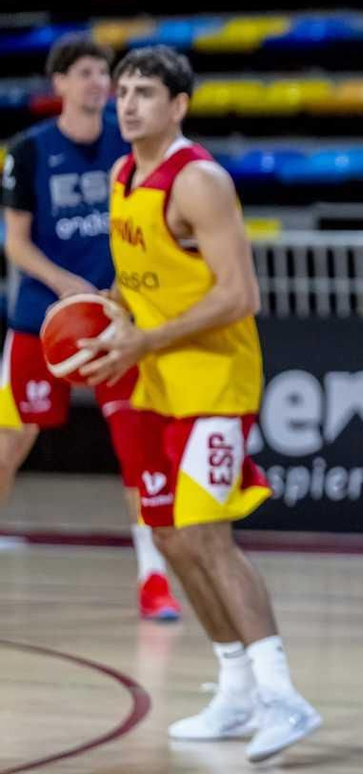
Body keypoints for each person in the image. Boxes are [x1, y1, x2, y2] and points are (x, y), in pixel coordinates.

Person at [83, 46, 321, 762]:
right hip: (156, 378)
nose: (127, 103)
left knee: (208, 535)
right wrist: (109, 312)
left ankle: (285, 695)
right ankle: (236, 686)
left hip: (215, 381)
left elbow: (238, 294)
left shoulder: (200, 181)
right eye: (121, 90)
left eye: (145, 92)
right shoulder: (123, 174)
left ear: (178, 105)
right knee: (174, 539)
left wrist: (145, 337)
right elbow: (145, 278)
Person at [0, 33, 180, 622]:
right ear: (59, 84)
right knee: (9, 443)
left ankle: (152, 578)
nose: (98, 82)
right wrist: (63, 283)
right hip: (40, 320)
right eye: (85, 72)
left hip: (115, 323)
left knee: (137, 449)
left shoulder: (129, 149)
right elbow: (16, 243)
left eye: (103, 73)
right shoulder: (28, 151)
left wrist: (123, 292)